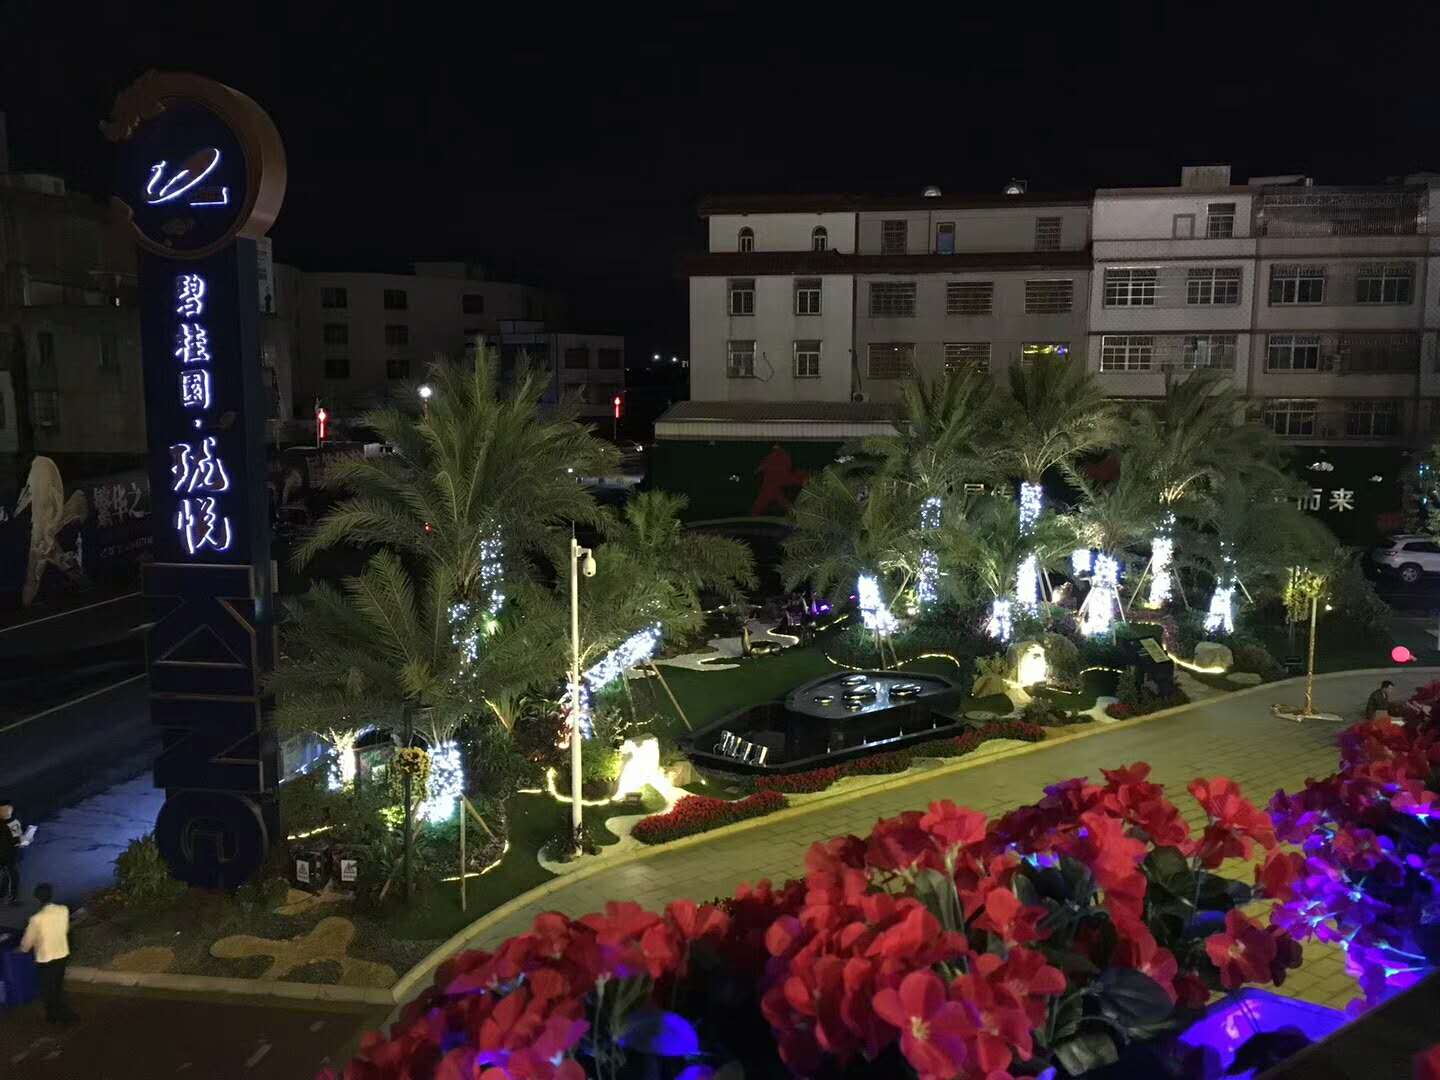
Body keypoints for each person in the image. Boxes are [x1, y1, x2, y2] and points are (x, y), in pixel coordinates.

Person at [20, 883, 76, 1024]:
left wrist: (22, 949)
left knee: (47, 988)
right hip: (62, 953)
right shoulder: (63, 910)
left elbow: (27, 943)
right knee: (57, 984)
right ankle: (61, 1012)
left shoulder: (36, 919)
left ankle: (54, 1015)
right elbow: (65, 929)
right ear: (51, 895)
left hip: (46, 958)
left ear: (36, 898)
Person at [0, 801, 22, 904]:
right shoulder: (13, 823)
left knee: (7, 874)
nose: (5, 812)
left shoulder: (14, 823)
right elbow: (17, 841)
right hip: (8, 855)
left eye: (7, 809)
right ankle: (11, 897)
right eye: (3, 810)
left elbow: (17, 840)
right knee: (12, 875)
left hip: (8, 855)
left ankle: (6, 895)